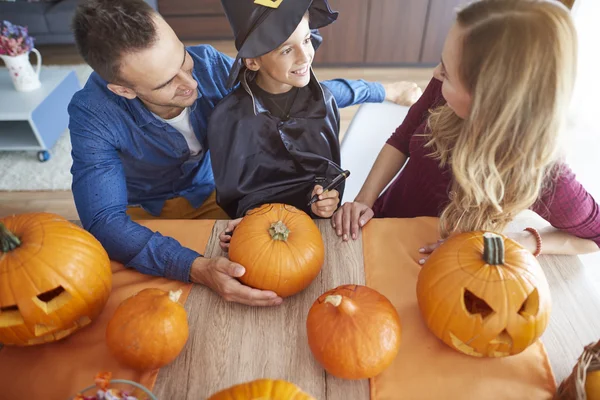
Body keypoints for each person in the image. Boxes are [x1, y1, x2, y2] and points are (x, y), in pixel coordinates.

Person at [68, 0, 422, 306]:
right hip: (147, 210)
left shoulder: (207, 64)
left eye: (182, 59)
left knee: (271, 268)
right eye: (166, 83)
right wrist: (197, 268)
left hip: (221, 191)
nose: (191, 83)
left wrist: (382, 90)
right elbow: (103, 221)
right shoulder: (92, 115)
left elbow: (296, 93)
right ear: (123, 90)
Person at [331, 0, 600, 260]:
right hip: (386, 224)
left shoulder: (545, 174)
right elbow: (402, 137)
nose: (436, 73)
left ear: (487, 99)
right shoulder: (441, 88)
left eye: (447, 72)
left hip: (453, 267)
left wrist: (521, 242)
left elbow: (595, 237)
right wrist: (365, 199)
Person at [208, 0, 344, 220]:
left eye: (307, 40)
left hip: (315, 224)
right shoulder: (228, 119)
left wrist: (327, 198)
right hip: (258, 226)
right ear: (252, 62)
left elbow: (331, 174)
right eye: (287, 50)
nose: (304, 57)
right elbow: (233, 198)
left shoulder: (324, 101)